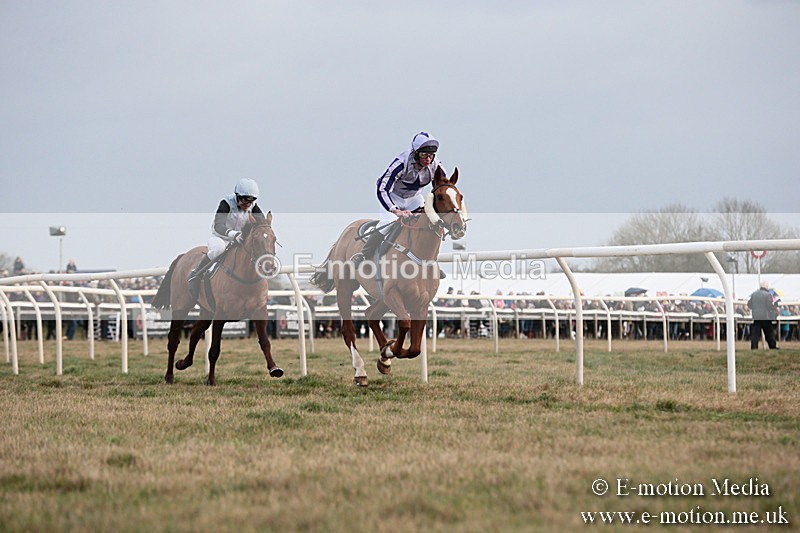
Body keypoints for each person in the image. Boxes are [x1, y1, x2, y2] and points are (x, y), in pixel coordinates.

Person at [350, 132, 447, 267]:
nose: (428, 159)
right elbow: (382, 189)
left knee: (428, 223)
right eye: (424, 155)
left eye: (431, 155)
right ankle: (364, 255)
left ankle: (429, 263)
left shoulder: (436, 166)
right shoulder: (401, 163)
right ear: (415, 153)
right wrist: (395, 211)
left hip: (414, 198)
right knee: (386, 225)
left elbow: (443, 187)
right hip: (393, 197)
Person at [187, 178, 266, 297]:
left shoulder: (254, 208)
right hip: (221, 237)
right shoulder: (226, 204)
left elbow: (262, 226)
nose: (248, 204)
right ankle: (196, 274)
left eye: (252, 200)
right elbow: (219, 225)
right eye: (244, 200)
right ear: (237, 196)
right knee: (218, 249)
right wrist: (233, 234)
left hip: (239, 240)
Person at [747, 280, 779, 350]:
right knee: (769, 333)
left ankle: (754, 347)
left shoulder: (754, 294)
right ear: (767, 287)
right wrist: (775, 308)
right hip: (765, 317)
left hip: (756, 316)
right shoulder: (768, 295)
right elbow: (769, 305)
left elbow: (749, 304)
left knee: (755, 334)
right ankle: (772, 346)